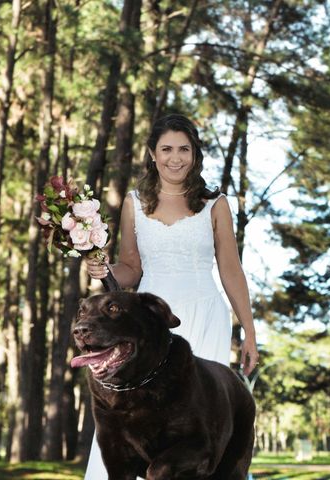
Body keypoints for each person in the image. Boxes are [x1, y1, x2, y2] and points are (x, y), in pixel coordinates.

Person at [83, 113, 258, 479]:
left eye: (183, 149)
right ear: (152, 153)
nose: (174, 158)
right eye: (166, 149)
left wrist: (250, 334)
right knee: (135, 413)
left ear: (195, 154)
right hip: (150, 322)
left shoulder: (215, 204)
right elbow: (131, 266)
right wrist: (106, 270)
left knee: (201, 417)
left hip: (205, 311)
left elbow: (231, 270)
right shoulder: (135, 202)